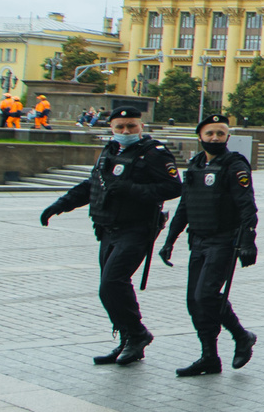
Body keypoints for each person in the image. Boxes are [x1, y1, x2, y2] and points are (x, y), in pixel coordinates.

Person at [40, 100, 183, 365]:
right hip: (107, 229)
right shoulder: (109, 150)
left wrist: (131, 189)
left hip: (137, 229)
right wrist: (60, 205)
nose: (126, 131)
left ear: (141, 125)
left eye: (131, 126)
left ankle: (138, 334)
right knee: (111, 288)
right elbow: (92, 184)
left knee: (111, 283)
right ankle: (128, 340)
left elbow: (174, 187)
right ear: (111, 127)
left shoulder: (154, 153)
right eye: (121, 127)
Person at [158, 114, 258, 378]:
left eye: (220, 134)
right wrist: (170, 240)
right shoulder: (195, 165)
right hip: (198, 240)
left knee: (206, 296)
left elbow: (247, 205)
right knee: (195, 301)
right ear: (200, 136)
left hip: (224, 241)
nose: (215, 138)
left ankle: (241, 336)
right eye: (210, 133)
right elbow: (185, 206)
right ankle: (209, 357)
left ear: (227, 137)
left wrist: (249, 241)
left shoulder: (234, 165)